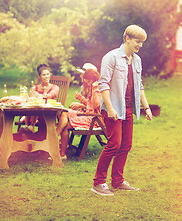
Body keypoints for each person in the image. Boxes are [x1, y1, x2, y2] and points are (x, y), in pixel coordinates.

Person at [91, 24, 153, 196]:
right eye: (137, 41)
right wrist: (109, 108)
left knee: (126, 145)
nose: (140, 45)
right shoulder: (111, 57)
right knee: (113, 144)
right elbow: (103, 84)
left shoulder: (137, 60)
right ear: (127, 38)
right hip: (113, 107)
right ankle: (98, 183)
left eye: (142, 42)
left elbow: (139, 85)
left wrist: (146, 107)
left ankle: (117, 181)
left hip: (127, 108)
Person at [56, 68, 101, 159]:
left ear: (92, 80)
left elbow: (96, 106)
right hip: (88, 115)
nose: (87, 84)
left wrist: (94, 89)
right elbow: (90, 105)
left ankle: (55, 138)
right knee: (64, 113)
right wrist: (81, 100)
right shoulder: (91, 88)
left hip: (94, 119)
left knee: (65, 122)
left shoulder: (98, 88)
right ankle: (61, 151)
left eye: (88, 82)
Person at [26, 64, 59, 132]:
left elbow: (50, 95)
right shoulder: (35, 87)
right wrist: (32, 94)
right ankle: (27, 128)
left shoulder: (55, 87)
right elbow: (29, 99)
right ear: (39, 77)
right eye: (44, 75)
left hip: (49, 113)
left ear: (50, 75)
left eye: (48, 74)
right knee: (32, 106)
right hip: (35, 113)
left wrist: (40, 95)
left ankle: (31, 127)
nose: (46, 76)